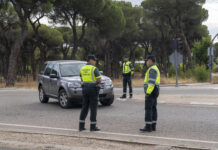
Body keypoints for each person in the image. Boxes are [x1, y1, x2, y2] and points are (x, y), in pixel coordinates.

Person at [79, 55, 102, 132]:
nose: (95, 61)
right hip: (93, 89)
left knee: (84, 107)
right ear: (90, 60)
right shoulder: (94, 69)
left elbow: (81, 79)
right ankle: (93, 126)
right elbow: (99, 80)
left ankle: (81, 126)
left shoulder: (82, 69)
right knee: (93, 108)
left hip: (85, 88)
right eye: (94, 60)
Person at [140, 55, 160, 132]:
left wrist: (147, 93)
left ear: (150, 61)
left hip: (151, 91)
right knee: (153, 108)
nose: (146, 62)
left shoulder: (152, 69)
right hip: (155, 90)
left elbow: (151, 83)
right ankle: (153, 125)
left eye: (147, 60)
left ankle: (148, 126)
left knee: (148, 108)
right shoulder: (155, 68)